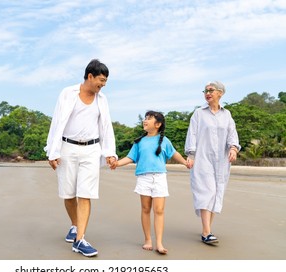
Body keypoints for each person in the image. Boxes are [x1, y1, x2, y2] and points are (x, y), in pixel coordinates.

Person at [44, 59, 117, 257]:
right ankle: (75, 226)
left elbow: (106, 126)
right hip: (67, 147)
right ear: (90, 76)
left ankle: (79, 239)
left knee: (86, 193)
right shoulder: (67, 93)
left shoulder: (102, 99)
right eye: (101, 80)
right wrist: (52, 151)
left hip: (92, 150)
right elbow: (57, 121)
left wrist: (110, 152)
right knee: (68, 194)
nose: (103, 85)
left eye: (105, 82)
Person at [110, 111, 188, 254]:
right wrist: (117, 163)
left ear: (158, 125)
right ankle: (148, 239)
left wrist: (185, 162)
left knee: (159, 210)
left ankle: (159, 243)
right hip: (143, 178)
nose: (145, 121)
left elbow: (174, 153)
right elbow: (130, 157)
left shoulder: (164, 141)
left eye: (149, 119)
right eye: (145, 118)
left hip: (159, 178)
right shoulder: (139, 141)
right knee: (146, 209)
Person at [185, 81, 240, 245]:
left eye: (211, 90)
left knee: (216, 192)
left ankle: (207, 230)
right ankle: (207, 232)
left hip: (221, 161)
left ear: (220, 93)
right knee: (205, 192)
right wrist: (191, 154)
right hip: (202, 159)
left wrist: (233, 149)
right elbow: (192, 135)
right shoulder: (198, 113)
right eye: (205, 91)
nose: (207, 93)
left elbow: (232, 134)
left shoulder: (227, 114)